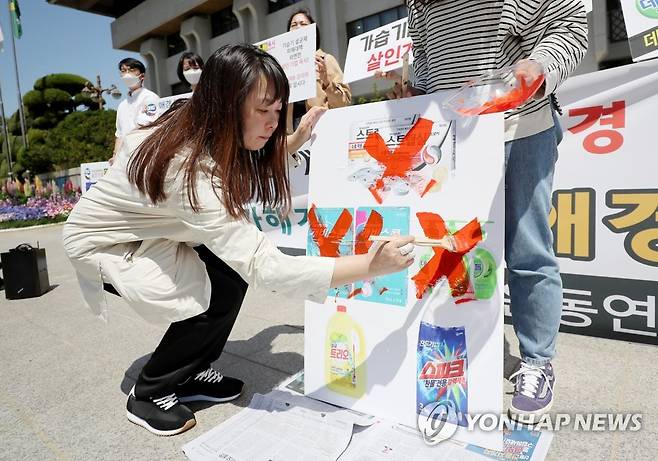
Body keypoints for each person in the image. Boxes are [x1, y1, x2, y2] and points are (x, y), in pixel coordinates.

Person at [62, 44, 415, 436]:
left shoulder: (200, 123)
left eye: (278, 110)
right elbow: (269, 267)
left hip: (152, 229)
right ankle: (150, 390)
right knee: (206, 293)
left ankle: (192, 370)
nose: (272, 122)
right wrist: (371, 266)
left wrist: (295, 138)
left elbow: (245, 158)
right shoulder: (188, 169)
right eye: (262, 110)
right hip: (106, 242)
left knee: (229, 278)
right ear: (225, 104)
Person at [395, 0, 588, 420]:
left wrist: (541, 64)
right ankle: (455, 348)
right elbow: (426, 52)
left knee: (527, 250)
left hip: (519, 125)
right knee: (452, 251)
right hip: (454, 136)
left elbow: (569, 25)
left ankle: (537, 362)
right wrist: (418, 90)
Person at [285, 8, 352, 153]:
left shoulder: (325, 60)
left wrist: (327, 82)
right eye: (293, 24)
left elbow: (344, 102)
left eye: (303, 24)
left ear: (313, 31)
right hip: (292, 138)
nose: (298, 28)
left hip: (321, 133)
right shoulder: (282, 66)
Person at [113, 58, 159, 161]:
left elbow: (146, 127)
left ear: (142, 76)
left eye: (131, 70)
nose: (127, 74)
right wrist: (115, 156)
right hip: (125, 157)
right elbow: (119, 134)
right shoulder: (122, 105)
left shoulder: (150, 98)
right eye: (123, 71)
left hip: (144, 154)